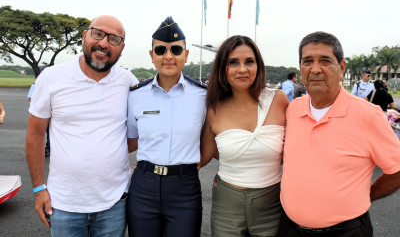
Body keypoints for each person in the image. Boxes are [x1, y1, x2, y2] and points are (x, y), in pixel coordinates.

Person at [25, 15, 138, 236]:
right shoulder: (51, 78)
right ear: (85, 36)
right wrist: (39, 188)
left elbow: (136, 136)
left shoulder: (129, 82)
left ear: (121, 49)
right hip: (63, 203)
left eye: (114, 39)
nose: (104, 43)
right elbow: (35, 135)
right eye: (98, 34)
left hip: (114, 203)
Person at [279, 31, 400, 237]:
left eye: (325, 61)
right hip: (289, 228)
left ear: (341, 68)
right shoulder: (292, 110)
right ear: (300, 68)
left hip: (347, 231)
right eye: (307, 61)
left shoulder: (369, 116)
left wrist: (365, 195)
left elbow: (396, 169)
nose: (315, 69)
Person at [200, 35, 289, 237]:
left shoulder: (279, 100)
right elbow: (203, 157)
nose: (242, 69)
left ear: (258, 65)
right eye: (233, 62)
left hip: (272, 202)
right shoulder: (214, 108)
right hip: (227, 204)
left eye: (249, 61)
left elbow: (298, 148)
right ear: (223, 68)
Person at [126, 16, 207, 237]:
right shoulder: (135, 95)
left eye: (176, 50)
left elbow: (211, 136)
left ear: (186, 55)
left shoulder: (204, 95)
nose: (168, 56)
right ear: (152, 56)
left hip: (185, 187)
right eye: (160, 50)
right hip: (144, 185)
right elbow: (131, 140)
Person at [28, 66, 51, 157]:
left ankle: (48, 149)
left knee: (51, 133)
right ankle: (37, 149)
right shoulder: (35, 84)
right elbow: (30, 98)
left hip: (51, 113)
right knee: (38, 132)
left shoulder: (54, 85)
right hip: (39, 113)